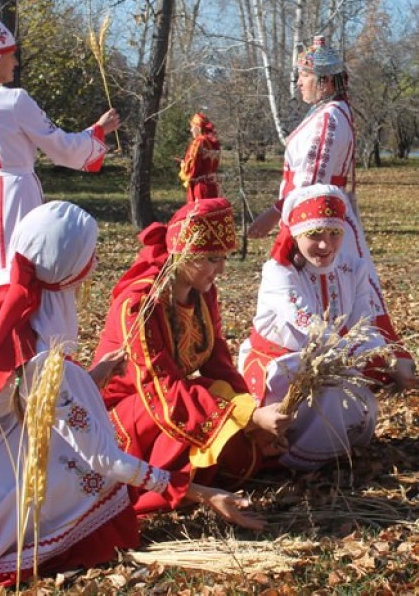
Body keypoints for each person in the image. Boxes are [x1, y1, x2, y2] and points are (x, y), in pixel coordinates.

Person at [0, 201, 264, 593]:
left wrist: (91, 378)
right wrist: (197, 493)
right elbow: (103, 457)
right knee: (84, 470)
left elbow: (15, 390)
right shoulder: (40, 348)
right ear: (75, 268)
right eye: (90, 254)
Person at [93, 197, 292, 515]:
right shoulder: (140, 304)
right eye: (212, 259)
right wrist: (247, 416)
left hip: (165, 403)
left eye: (223, 258)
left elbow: (219, 362)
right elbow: (160, 389)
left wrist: (251, 423)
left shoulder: (204, 293)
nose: (221, 269)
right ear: (184, 253)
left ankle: (196, 482)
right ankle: (172, 487)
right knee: (204, 393)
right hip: (123, 416)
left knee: (227, 410)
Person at [246, 35, 414, 372]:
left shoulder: (329, 119)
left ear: (323, 81)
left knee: (327, 280)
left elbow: (312, 183)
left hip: (317, 220)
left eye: (304, 76)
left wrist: (275, 215)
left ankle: (337, 358)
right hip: (316, 216)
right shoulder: (328, 113)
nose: (298, 82)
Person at [0, 12, 120, 303]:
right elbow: (60, 146)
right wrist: (98, 131)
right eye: (11, 55)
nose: (16, 62)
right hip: (12, 198)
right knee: (14, 270)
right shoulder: (13, 100)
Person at [239, 184, 419, 471]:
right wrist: (351, 355)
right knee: (331, 389)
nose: (326, 245)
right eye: (314, 234)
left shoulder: (353, 269)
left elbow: (364, 324)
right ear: (296, 233)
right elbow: (310, 326)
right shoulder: (279, 273)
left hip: (332, 359)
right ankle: (296, 460)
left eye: (335, 233)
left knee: (355, 397)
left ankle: (329, 454)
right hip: (282, 365)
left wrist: (388, 358)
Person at [178, 112, 221, 203]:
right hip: (212, 185)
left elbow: (191, 169)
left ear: (198, 128)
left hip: (200, 187)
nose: (191, 130)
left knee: (199, 214)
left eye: (192, 127)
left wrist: (183, 165)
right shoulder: (213, 143)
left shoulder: (198, 142)